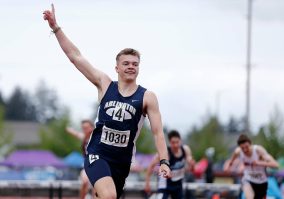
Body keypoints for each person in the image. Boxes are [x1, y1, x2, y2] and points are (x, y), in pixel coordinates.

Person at [43, 4, 171, 199]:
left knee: (105, 197)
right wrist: (56, 27)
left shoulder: (147, 97)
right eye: (126, 63)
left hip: (122, 161)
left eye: (135, 64)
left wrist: (164, 161)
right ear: (117, 68)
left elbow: (157, 133)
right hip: (97, 153)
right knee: (109, 196)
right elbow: (76, 57)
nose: (131, 67)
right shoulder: (104, 84)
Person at [224, 134, 279, 199]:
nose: (245, 150)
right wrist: (228, 167)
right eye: (242, 148)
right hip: (248, 179)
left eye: (246, 147)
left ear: (250, 144)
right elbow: (231, 161)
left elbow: (276, 165)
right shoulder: (238, 152)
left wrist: (259, 163)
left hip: (261, 182)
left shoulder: (258, 150)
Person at [144, 130, 194, 199]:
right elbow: (151, 166)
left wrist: (192, 164)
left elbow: (191, 166)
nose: (176, 145)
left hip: (178, 184)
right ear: (170, 142)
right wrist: (147, 183)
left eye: (177, 142)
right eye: (173, 143)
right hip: (164, 184)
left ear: (180, 141)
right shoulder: (165, 153)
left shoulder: (185, 150)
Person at [66, 120, 94, 199]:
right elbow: (76, 134)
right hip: (86, 165)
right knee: (84, 182)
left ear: (92, 127)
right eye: (83, 128)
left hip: (97, 164)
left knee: (96, 187)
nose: (85, 130)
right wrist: (68, 129)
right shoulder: (84, 137)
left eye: (86, 128)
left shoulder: (97, 137)